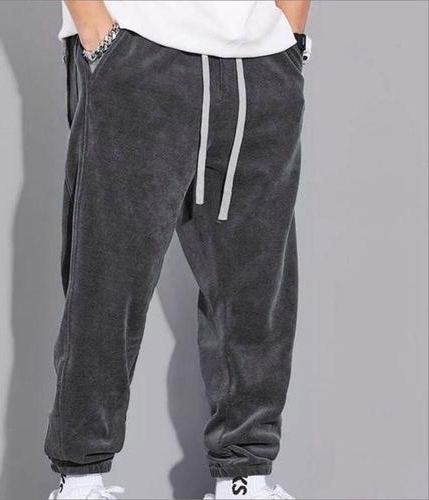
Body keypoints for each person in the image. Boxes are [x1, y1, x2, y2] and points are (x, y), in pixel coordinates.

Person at [45, 1, 311, 499]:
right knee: (108, 281)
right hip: (137, 48)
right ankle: (80, 481)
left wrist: (290, 37)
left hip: (262, 62)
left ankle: (245, 480)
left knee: (257, 292)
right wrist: (99, 34)